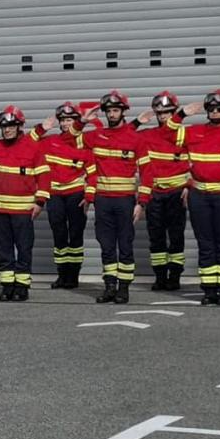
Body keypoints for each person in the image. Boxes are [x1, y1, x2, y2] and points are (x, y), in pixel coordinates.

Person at [167, 90, 220, 306]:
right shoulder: (194, 132)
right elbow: (166, 135)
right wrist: (180, 114)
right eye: (212, 109)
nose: (215, 112)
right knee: (205, 243)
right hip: (200, 196)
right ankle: (209, 289)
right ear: (206, 111)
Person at [0, 105, 48, 302]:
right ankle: (7, 285)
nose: (7, 129)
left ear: (19, 126)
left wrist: (40, 201)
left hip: (23, 210)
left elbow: (45, 176)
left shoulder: (32, 147)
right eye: (4, 126)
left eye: (12, 125)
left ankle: (22, 286)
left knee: (23, 247)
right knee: (2, 248)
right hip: (0, 210)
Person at [77, 91, 145, 304]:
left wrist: (142, 203)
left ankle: (124, 289)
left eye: (116, 110)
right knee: (106, 244)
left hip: (125, 200)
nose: (112, 114)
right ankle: (110, 286)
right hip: (103, 200)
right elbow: (68, 140)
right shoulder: (96, 135)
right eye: (109, 111)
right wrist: (81, 122)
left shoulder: (136, 138)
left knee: (125, 244)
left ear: (123, 111)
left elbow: (148, 172)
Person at [36, 102, 96, 289]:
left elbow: (93, 174)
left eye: (69, 120)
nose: (64, 124)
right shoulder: (49, 141)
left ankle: (73, 276)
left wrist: (89, 197)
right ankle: (62, 275)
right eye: (62, 120)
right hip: (54, 195)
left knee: (76, 236)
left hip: (76, 194)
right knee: (59, 235)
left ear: (76, 121)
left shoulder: (85, 145)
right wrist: (40, 129)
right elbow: (27, 144)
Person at [136, 91, 190, 291]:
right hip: (154, 193)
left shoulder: (185, 135)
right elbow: (122, 136)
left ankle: (174, 277)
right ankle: (160, 277)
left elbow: (199, 161)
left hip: (177, 193)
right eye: (159, 113)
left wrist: (189, 185)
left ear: (174, 112)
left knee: (176, 236)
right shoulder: (148, 135)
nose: (162, 116)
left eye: (167, 112)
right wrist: (137, 122)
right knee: (156, 237)